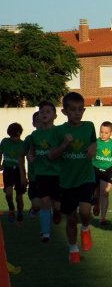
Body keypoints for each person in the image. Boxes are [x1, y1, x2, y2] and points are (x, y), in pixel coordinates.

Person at [49, 92, 97, 264]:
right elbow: (52, 156)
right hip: (66, 181)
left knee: (85, 211)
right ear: (64, 112)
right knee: (70, 218)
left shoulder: (89, 126)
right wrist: (64, 144)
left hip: (86, 177)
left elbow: (94, 141)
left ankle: (85, 228)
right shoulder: (58, 131)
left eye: (80, 109)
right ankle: (73, 248)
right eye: (73, 110)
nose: (77, 113)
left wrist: (93, 147)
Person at [28, 101, 61, 243]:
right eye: (42, 112)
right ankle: (45, 233)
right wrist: (30, 157)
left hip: (58, 174)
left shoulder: (59, 133)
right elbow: (31, 152)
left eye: (48, 112)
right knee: (45, 202)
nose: (44, 114)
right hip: (41, 174)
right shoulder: (34, 136)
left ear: (55, 115)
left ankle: (57, 213)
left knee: (57, 205)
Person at [1, 123, 26, 223]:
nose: (15, 138)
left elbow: (26, 160)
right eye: (13, 136)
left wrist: (23, 177)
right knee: (8, 193)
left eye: (17, 136)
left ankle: (20, 212)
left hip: (18, 171)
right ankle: (11, 209)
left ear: (20, 134)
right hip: (8, 170)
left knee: (19, 197)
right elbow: (0, 153)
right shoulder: (5, 142)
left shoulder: (23, 144)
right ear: (9, 134)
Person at [92, 121, 112, 226]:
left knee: (105, 192)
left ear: (111, 133)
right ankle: (96, 203)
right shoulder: (95, 142)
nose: (103, 134)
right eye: (101, 132)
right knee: (96, 194)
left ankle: (103, 218)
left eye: (106, 132)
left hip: (107, 170)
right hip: (95, 169)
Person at [21, 112, 41, 217]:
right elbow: (20, 156)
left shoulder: (54, 136)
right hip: (34, 178)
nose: (40, 123)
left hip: (52, 176)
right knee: (38, 205)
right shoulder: (29, 139)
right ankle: (34, 208)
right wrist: (23, 176)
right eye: (37, 121)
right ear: (33, 124)